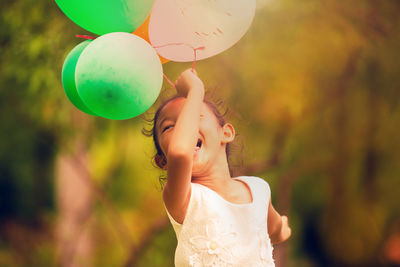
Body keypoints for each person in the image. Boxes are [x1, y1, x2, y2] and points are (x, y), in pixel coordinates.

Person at [147, 68, 291, 266]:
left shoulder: (258, 189)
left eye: (195, 115)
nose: (185, 127)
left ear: (226, 133)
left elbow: (274, 229)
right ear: (163, 161)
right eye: (170, 126)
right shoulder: (185, 199)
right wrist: (195, 90)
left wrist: (283, 229)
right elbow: (180, 152)